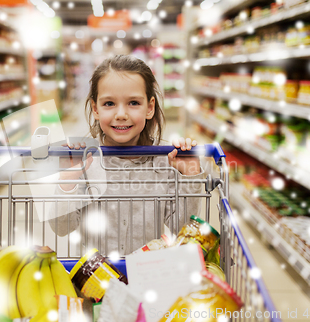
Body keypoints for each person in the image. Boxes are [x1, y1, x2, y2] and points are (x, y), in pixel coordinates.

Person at [48, 55, 204, 256]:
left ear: (149, 108)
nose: (121, 114)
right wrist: (68, 180)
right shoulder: (85, 163)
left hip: (146, 275)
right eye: (109, 103)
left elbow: (181, 228)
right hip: (93, 279)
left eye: (133, 103)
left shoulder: (165, 161)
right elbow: (61, 228)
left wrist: (189, 176)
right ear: (95, 108)